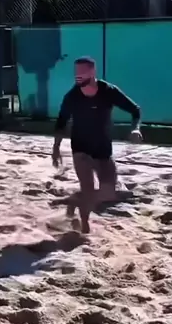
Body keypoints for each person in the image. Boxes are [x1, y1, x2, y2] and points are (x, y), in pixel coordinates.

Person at [52, 56, 142, 234]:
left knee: (108, 193)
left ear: (93, 72)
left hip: (103, 150)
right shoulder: (72, 97)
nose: (78, 76)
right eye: (76, 72)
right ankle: (84, 225)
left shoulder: (108, 91)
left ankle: (76, 200)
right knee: (88, 189)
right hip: (81, 149)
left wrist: (136, 129)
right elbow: (61, 122)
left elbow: (135, 110)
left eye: (82, 72)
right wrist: (56, 148)